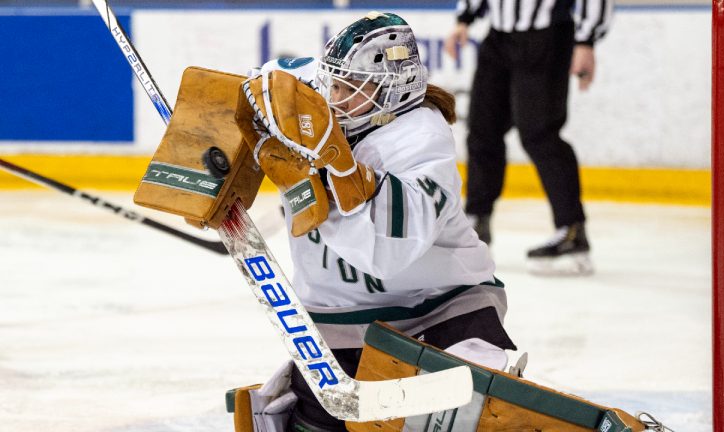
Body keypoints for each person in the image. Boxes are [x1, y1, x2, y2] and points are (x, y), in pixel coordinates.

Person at [248, 11, 516, 431]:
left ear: (393, 90)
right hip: (335, 322)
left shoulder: (422, 143)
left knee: (467, 418)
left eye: (350, 89)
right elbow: (265, 78)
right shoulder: (322, 95)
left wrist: (322, 171)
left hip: (440, 312)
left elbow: (384, 254)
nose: (334, 98)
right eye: (332, 84)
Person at [444, 0, 613, 276]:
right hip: (498, 36)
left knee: (540, 133)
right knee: (482, 130)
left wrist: (587, 40)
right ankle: (476, 226)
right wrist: (464, 17)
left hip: (547, 35)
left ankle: (572, 232)